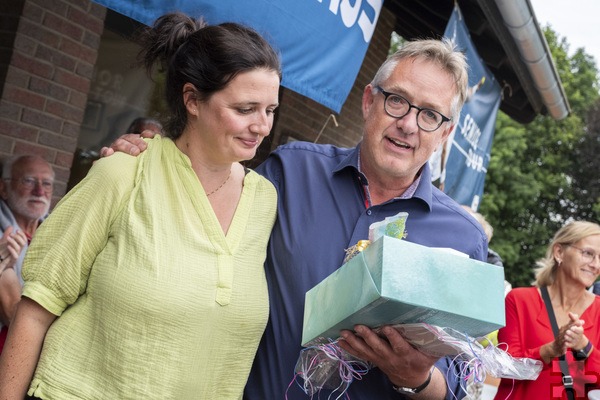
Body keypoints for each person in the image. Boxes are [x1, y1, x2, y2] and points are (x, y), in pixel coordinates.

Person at [102, 38, 490, 399]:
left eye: (430, 115)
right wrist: (151, 160)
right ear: (369, 101)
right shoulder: (291, 172)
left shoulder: (462, 238)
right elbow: (202, 211)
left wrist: (418, 378)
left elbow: (459, 380)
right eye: (398, 101)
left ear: (446, 133)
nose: (408, 123)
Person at [0, 12, 280, 399]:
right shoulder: (124, 173)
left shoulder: (264, 200)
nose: (262, 126)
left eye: (270, 110)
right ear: (192, 99)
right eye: (245, 109)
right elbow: (35, 310)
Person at [495, 221, 600, 399]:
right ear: (559, 252)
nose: (596, 265)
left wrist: (585, 347)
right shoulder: (519, 300)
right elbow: (505, 369)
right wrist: (550, 350)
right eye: (588, 254)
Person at [0, 155, 50, 352]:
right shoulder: (5, 240)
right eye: (28, 181)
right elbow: (14, 317)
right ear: (3, 188)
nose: (39, 191)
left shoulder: (55, 231)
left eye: (46, 183)